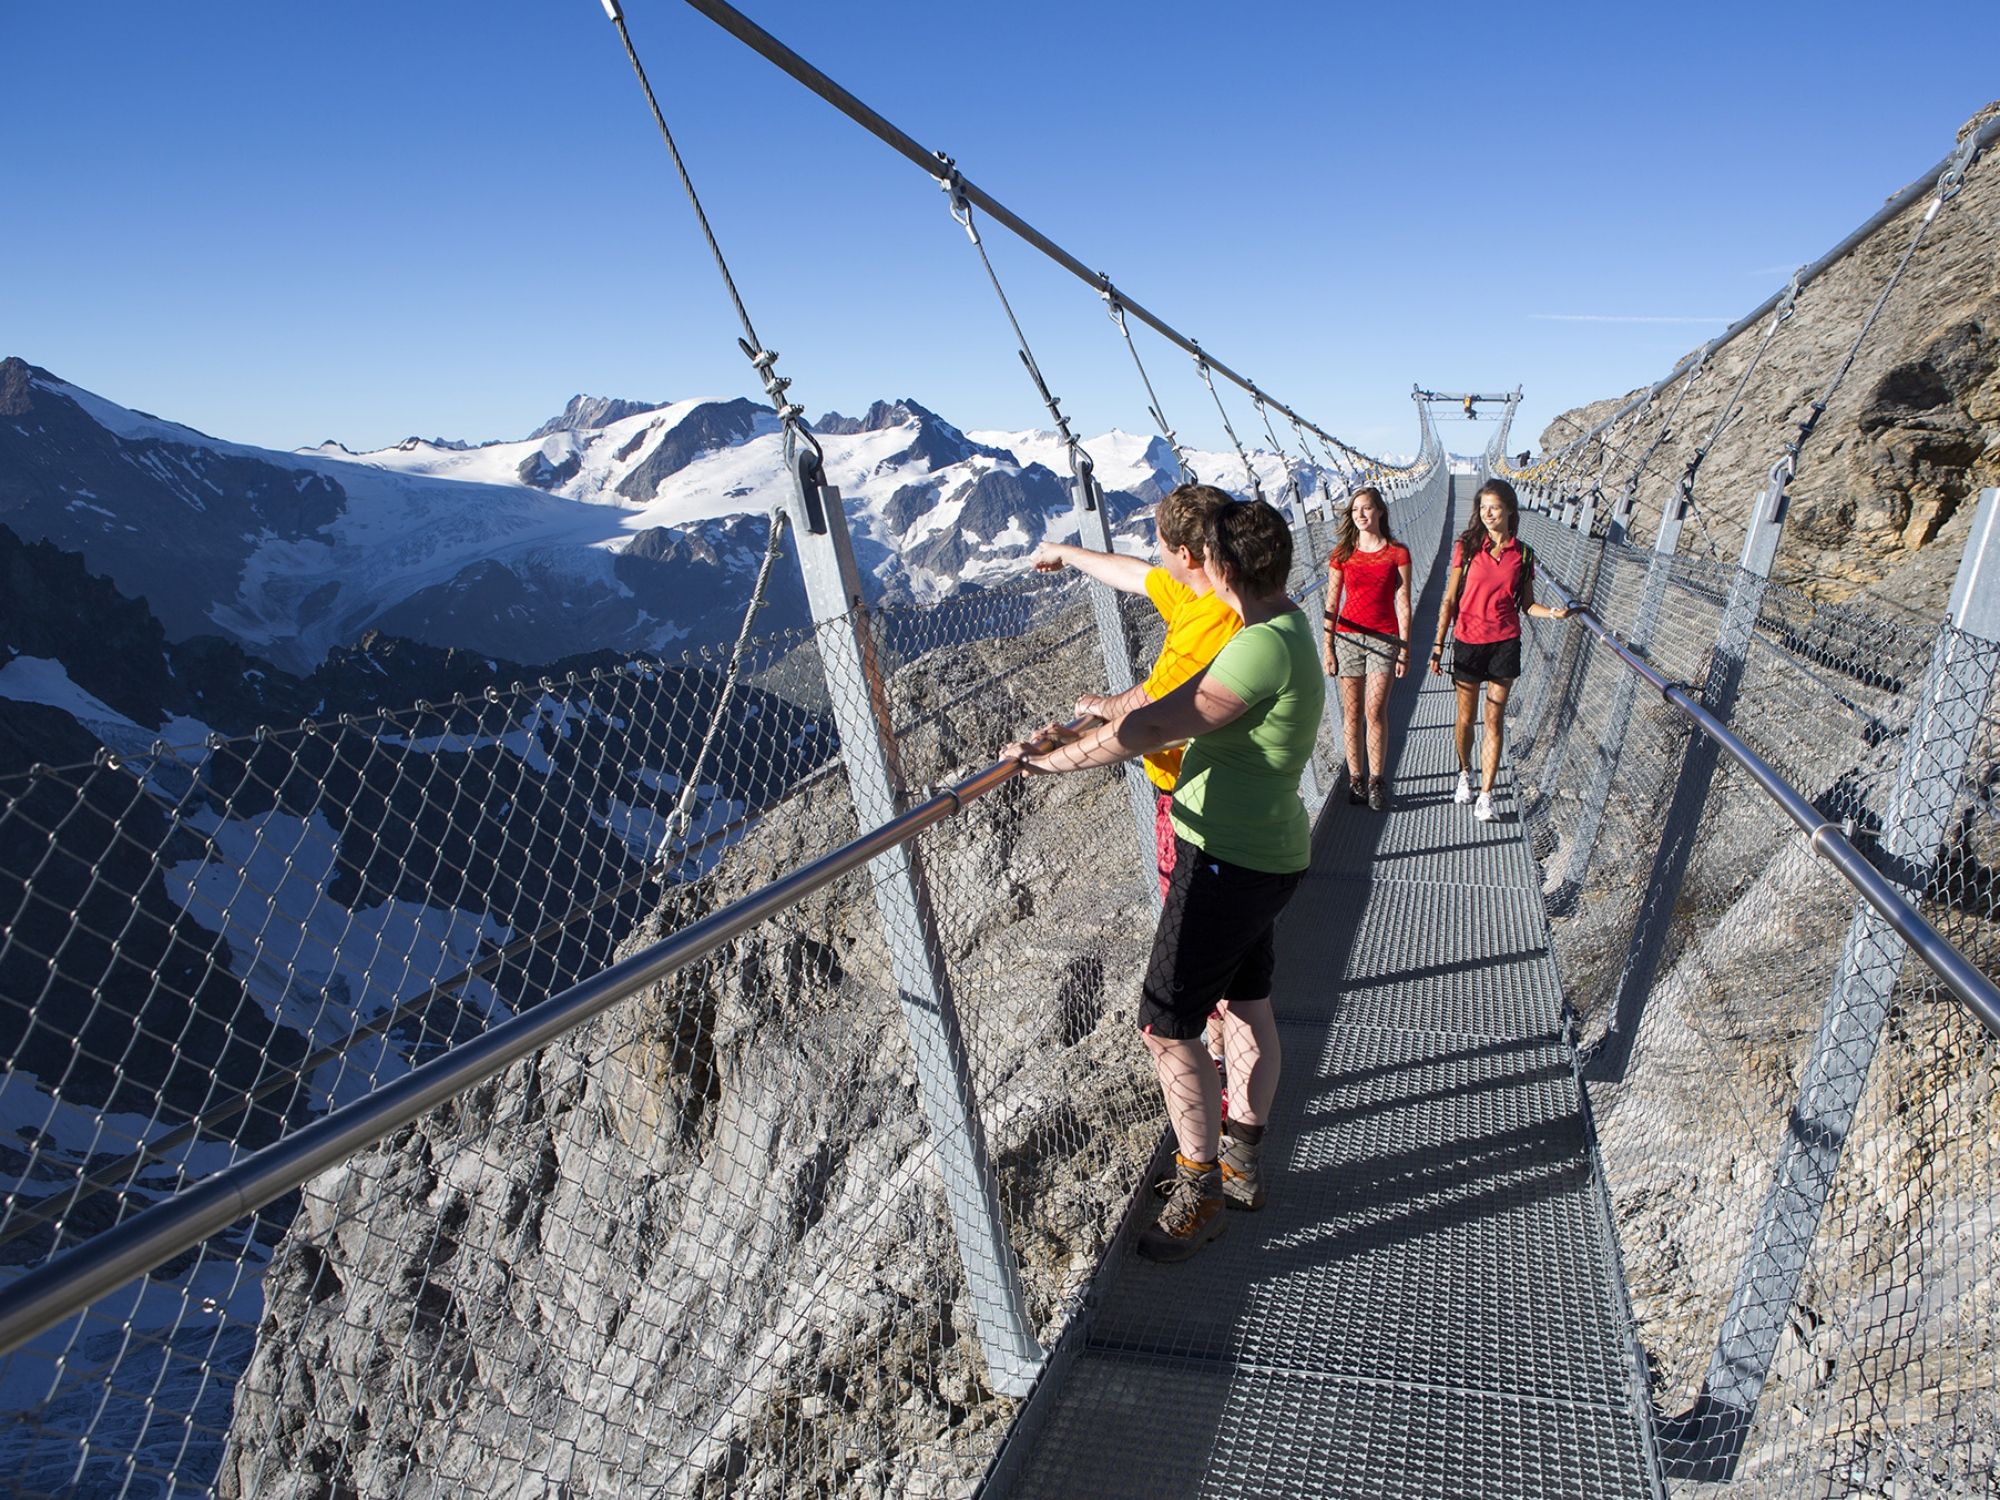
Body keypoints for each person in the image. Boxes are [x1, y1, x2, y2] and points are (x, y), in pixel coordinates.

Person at [1005, 499, 1323, 1263]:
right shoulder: (1288, 628)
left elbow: (1154, 727)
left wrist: (1047, 761)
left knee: (1165, 1023)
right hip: (1264, 853)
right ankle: (1241, 1164)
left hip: (1223, 860)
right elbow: (1153, 704)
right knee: (1247, 1006)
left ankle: (1199, 1187)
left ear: (1222, 567)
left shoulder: (1255, 647)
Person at [1029, 484, 1239, 900]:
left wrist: (1063, 746)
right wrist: (1067, 553)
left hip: (1196, 802)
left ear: (1185, 555)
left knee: (1190, 926)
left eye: (1159, 543)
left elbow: (1152, 715)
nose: (1154, 552)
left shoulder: (1212, 620)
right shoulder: (1203, 590)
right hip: (1210, 790)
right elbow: (1135, 575)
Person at [1428, 477, 1571, 822]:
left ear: (1509, 510)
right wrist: (1437, 644)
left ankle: (1487, 795)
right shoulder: (1466, 546)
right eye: (1483, 507)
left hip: (1504, 643)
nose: (1487, 513)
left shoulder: (1522, 554)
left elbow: (1528, 605)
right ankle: (1465, 773)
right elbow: (1449, 599)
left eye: (1494, 507)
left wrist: (1553, 613)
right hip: (1467, 641)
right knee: (1465, 718)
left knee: (1493, 719)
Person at [1320, 486, 1411, 811]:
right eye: (1355, 509)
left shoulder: (1397, 553)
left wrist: (1404, 647)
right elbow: (1331, 602)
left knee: (1374, 711)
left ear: (1380, 512)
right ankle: (1355, 780)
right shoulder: (1342, 554)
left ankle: (1377, 781)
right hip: (1347, 639)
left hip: (1383, 639)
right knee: (1352, 713)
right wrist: (1328, 647)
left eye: (1366, 508)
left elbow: (1403, 602)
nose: (1360, 514)